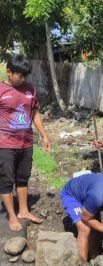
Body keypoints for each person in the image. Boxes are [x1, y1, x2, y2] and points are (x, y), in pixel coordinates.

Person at [0, 53, 51, 231]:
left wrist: (44, 135)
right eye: (19, 75)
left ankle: (23, 211)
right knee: (6, 181)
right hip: (5, 144)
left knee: (23, 178)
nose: (22, 79)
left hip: (26, 143)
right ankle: (12, 216)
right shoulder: (1, 89)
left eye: (25, 76)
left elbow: (35, 113)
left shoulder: (30, 89)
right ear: (9, 72)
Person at [61, 172, 103, 261]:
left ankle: (94, 258)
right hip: (72, 195)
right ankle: (82, 264)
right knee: (85, 229)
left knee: (95, 228)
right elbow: (85, 219)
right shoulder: (98, 197)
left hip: (89, 196)